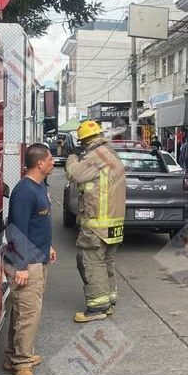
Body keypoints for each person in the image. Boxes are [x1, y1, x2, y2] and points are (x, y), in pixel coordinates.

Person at [3, 143, 56, 375]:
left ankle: (13, 355)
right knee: (28, 314)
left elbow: (38, 225)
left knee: (21, 311)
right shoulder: (25, 191)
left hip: (39, 257)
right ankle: (22, 363)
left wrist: (49, 247)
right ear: (40, 164)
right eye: (50, 158)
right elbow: (16, 231)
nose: (53, 162)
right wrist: (21, 266)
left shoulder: (39, 187)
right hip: (27, 263)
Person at [65, 120, 126, 323]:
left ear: (84, 141)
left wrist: (72, 157)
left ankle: (97, 307)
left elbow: (74, 174)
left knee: (91, 262)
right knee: (106, 260)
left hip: (97, 223)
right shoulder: (111, 153)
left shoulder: (96, 156)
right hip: (114, 223)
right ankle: (109, 301)